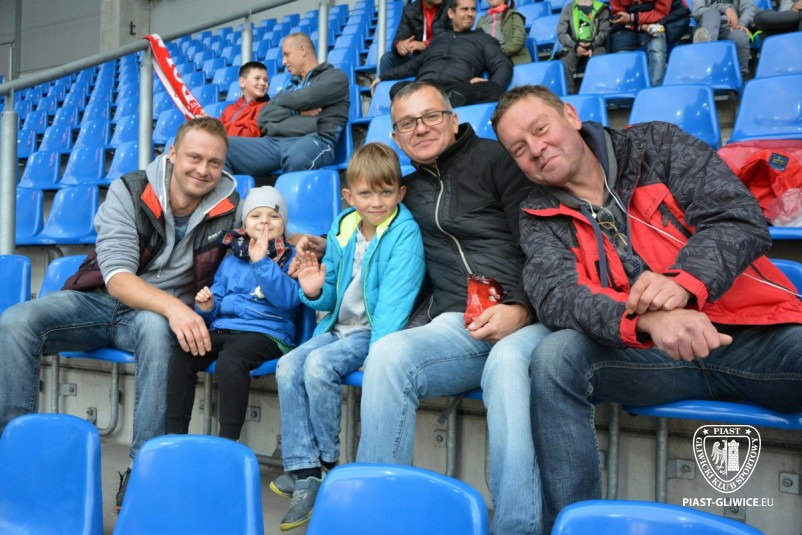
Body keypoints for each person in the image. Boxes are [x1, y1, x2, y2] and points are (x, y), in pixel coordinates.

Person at [491, 84, 802, 530]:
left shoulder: (656, 145)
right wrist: (648, 320)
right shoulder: (536, 212)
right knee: (555, 357)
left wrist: (683, 283)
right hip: (649, 357)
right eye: (519, 148)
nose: (536, 149)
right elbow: (556, 295)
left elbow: (738, 218)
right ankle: (572, 524)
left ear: (571, 115)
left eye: (540, 129)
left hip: (753, 337)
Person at [0, 116, 240, 510]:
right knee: (15, 321)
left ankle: (145, 471)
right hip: (98, 300)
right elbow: (117, 278)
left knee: (157, 331)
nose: (203, 169)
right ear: (173, 154)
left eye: (214, 162)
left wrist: (301, 241)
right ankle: (13, 450)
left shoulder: (230, 207)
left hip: (149, 319)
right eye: (194, 158)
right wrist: (175, 308)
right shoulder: (130, 190)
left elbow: (263, 235)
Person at [353, 81, 551, 535]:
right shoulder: (405, 191)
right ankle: (377, 520)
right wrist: (307, 244)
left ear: (453, 119)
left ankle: (517, 528)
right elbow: (362, 232)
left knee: (507, 362)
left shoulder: (498, 160)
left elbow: (545, 245)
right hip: (458, 324)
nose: (420, 128)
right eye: (407, 123)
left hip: (529, 317)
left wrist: (521, 308)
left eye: (431, 116)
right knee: (387, 355)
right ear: (396, 137)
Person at [271, 142, 425, 531]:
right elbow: (330, 293)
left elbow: (394, 305)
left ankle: (325, 463)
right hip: (337, 327)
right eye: (366, 194)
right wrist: (312, 289)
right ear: (349, 195)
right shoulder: (343, 225)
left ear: (400, 193)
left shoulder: (404, 233)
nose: (376, 202)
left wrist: (377, 356)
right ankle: (304, 468)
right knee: (288, 364)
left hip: (372, 332)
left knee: (318, 365)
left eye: (386, 192)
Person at [166, 186, 300, 441]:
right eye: (255, 216)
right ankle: (175, 435)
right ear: (244, 224)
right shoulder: (231, 260)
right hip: (224, 328)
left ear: (284, 224)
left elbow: (288, 300)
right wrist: (206, 308)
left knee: (231, 360)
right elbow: (216, 299)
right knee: (183, 354)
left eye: (273, 216)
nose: (264, 222)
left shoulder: (291, 257)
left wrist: (262, 262)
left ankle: (229, 439)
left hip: (267, 333)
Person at [225, 33, 350, 177]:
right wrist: (297, 112)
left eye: (286, 55)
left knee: (297, 156)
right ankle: (230, 192)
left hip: (316, 140)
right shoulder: (290, 86)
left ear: (302, 50)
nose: (284, 62)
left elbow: (307, 98)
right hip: (275, 142)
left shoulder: (335, 77)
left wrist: (280, 105)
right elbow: (263, 116)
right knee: (223, 147)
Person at [371, 0, 514, 107]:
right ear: (451, 13)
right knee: (396, 89)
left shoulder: (483, 38)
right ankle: (439, 103)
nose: (470, 14)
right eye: (464, 9)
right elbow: (413, 66)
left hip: (456, 88)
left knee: (491, 89)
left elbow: (502, 64)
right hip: (425, 87)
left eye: (473, 10)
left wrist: (495, 82)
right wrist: (382, 77)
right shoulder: (438, 39)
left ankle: (433, 104)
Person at [609, 0, 690, 86]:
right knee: (621, 56)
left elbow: (661, 13)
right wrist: (640, 26)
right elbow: (620, 16)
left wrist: (633, 18)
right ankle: (627, 89)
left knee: (657, 51)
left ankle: (655, 89)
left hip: (659, 20)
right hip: (630, 24)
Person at [380, 0, 452, 75]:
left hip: (441, 57)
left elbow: (451, 35)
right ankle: (384, 81)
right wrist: (400, 44)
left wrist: (425, 44)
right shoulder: (410, 10)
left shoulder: (451, 6)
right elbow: (402, 33)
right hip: (418, 58)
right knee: (387, 59)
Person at [557, 0, 611, 93]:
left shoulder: (602, 8)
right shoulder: (568, 8)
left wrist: (592, 45)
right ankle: (569, 95)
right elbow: (561, 33)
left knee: (598, 60)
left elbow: (604, 32)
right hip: (573, 46)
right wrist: (575, 46)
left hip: (596, 46)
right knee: (564, 63)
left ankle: (596, 92)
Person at [692, 0, 755, 77]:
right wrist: (725, 8)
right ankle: (706, 62)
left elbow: (749, 8)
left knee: (740, 36)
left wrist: (742, 23)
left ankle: (740, 78)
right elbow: (697, 11)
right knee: (712, 14)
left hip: (730, 27)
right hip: (707, 24)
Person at [219, 61, 270, 137]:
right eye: (257, 78)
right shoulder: (229, 109)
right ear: (242, 82)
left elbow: (248, 134)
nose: (263, 83)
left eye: (266, 80)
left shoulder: (267, 108)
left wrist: (221, 128)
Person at [476, 0, 532, 65]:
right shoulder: (481, 20)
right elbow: (477, 43)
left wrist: (499, 52)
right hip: (489, 59)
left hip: (510, 58)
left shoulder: (514, 16)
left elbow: (518, 40)